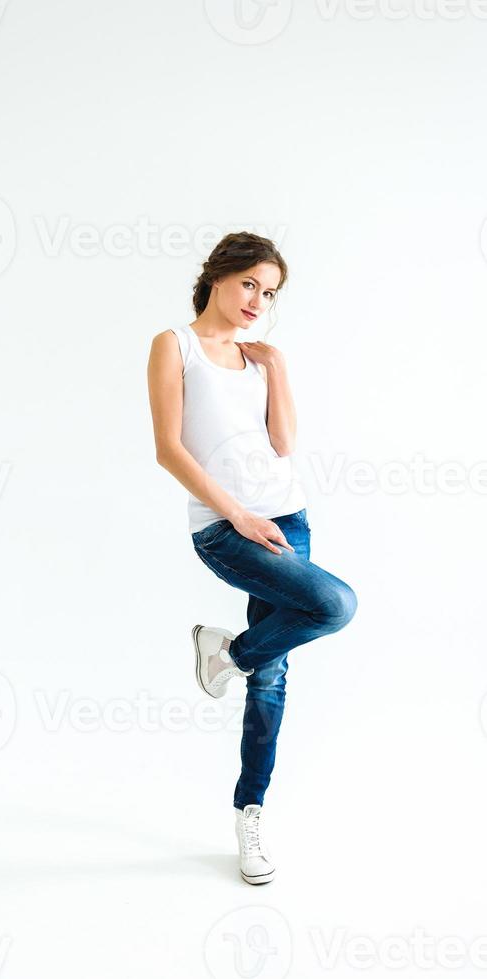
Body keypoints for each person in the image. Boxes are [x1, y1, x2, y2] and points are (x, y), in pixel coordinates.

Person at [146, 231, 358, 885]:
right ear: (218, 276)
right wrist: (236, 514)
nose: (257, 301)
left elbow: (283, 442)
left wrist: (280, 367)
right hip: (226, 526)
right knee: (336, 604)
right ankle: (227, 655)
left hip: (289, 516)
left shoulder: (262, 358)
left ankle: (249, 815)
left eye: (269, 294)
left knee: (271, 676)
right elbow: (168, 449)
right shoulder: (173, 345)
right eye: (250, 285)